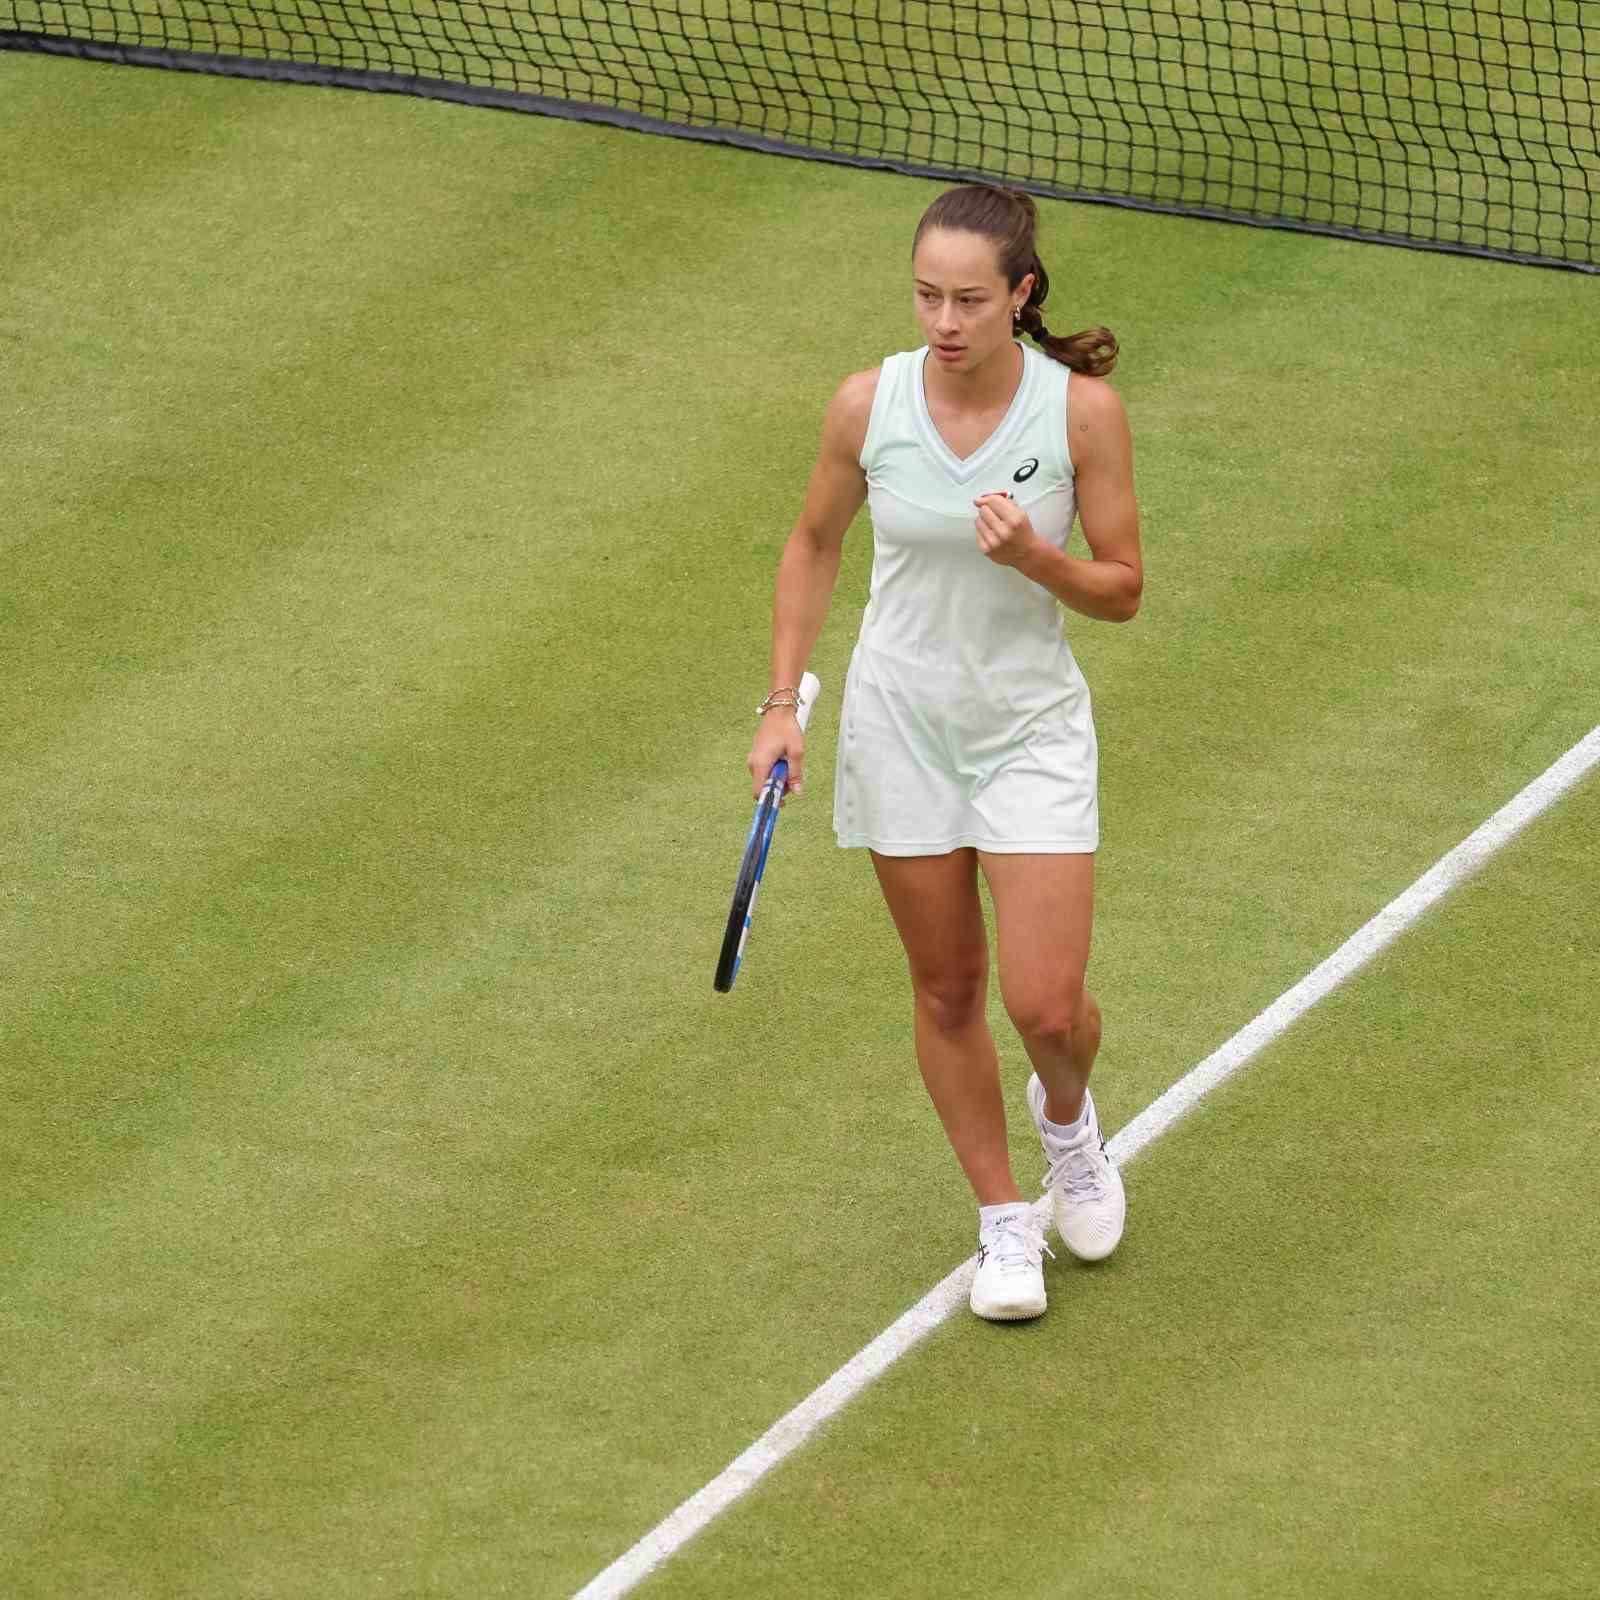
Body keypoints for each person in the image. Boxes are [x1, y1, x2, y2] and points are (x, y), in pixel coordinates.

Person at [746, 183, 1143, 1322]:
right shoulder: (866, 404)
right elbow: (812, 544)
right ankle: (1003, 1218)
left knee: (1047, 1006)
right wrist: (781, 703)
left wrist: (1037, 560)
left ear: (1021, 294)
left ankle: (1068, 1125)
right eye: (927, 296)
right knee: (950, 985)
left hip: (1029, 731)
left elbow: (1121, 589)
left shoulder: (1081, 415)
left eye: (969, 299)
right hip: (901, 729)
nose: (944, 321)